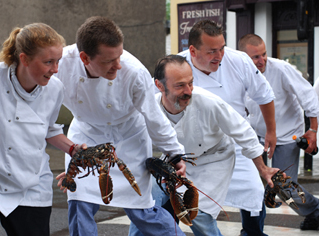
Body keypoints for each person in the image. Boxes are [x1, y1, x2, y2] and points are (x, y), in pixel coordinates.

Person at [54, 16, 187, 236]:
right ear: (84, 57)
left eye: (120, 56)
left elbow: (153, 118)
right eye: (109, 61)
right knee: (79, 204)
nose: (118, 65)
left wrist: (174, 154)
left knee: (142, 212)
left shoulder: (134, 72)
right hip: (85, 138)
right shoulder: (60, 64)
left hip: (129, 138)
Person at [129, 55, 283, 236]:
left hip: (213, 158)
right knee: (145, 203)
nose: (188, 91)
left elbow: (243, 132)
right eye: (180, 85)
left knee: (198, 214)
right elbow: (132, 138)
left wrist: (263, 169)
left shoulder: (208, 102)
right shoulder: (149, 108)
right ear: (159, 85)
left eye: (191, 83)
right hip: (174, 161)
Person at [0, 23, 87, 236]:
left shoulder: (54, 89)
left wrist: (74, 150)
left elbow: (51, 130)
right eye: (48, 62)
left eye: (58, 62)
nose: (55, 69)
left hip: (30, 181)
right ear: (24, 59)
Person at [178, 20, 277, 236]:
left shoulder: (239, 60)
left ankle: (252, 233)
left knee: (254, 190)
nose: (219, 55)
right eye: (212, 51)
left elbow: (264, 95)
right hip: (193, 148)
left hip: (235, 140)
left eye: (222, 48)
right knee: (192, 200)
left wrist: (271, 131)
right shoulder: (176, 66)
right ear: (192, 50)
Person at [239, 33, 319, 231]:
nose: (262, 60)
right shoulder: (239, 73)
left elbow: (308, 96)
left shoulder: (281, 69)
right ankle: (253, 230)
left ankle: (315, 210)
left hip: (286, 136)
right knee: (251, 186)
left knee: (285, 188)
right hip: (256, 137)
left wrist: (313, 130)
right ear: (243, 58)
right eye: (255, 57)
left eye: (263, 54)